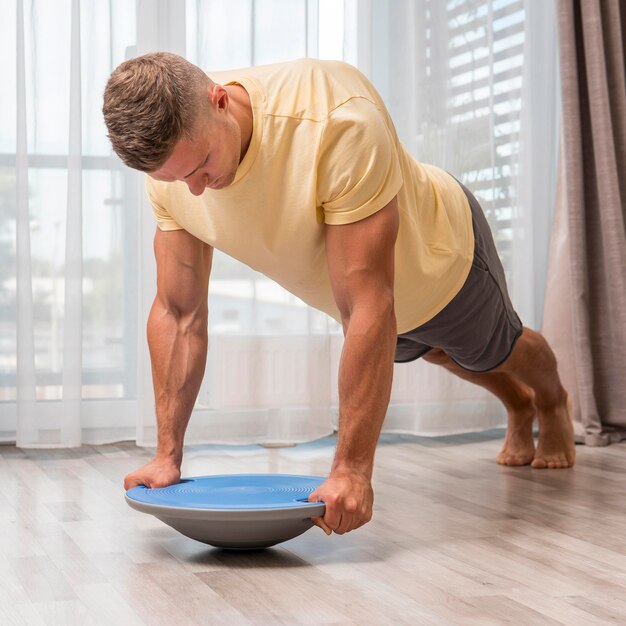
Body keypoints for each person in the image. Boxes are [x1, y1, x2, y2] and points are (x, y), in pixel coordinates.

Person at [103, 52, 575, 536]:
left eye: (201, 166)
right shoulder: (173, 169)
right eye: (178, 179)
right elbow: (178, 313)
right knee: (443, 353)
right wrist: (166, 456)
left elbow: (370, 302)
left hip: (441, 257)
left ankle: (553, 402)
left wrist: (351, 470)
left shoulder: (337, 122)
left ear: (220, 101)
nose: (196, 192)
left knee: (499, 348)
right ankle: (519, 406)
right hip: (370, 304)